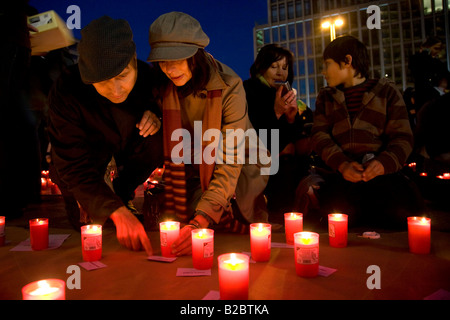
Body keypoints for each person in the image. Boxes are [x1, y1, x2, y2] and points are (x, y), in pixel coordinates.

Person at [147, 12, 270, 256]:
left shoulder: (230, 86)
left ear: (196, 53)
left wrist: (200, 220)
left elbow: (230, 161)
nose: (170, 69)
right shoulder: (161, 87)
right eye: (162, 61)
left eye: (177, 58)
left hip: (241, 163)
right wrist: (150, 115)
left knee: (209, 218)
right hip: (195, 163)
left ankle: (252, 203)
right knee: (178, 216)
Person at [47, 16, 164, 255]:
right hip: (86, 162)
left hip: (124, 154)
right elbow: (71, 162)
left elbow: (171, 112)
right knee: (88, 225)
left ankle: (122, 192)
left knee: (159, 139)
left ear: (133, 60)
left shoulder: (149, 79)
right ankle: (105, 201)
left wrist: (157, 117)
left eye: (123, 76)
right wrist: (114, 211)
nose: (116, 90)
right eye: (103, 82)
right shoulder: (67, 89)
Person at [307, 35, 425, 229]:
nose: (323, 72)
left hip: (382, 175)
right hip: (342, 176)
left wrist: (382, 163)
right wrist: (342, 164)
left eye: (327, 64)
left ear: (347, 61)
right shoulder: (326, 97)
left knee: (400, 213)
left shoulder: (385, 92)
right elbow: (319, 136)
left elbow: (403, 137)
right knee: (337, 216)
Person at [243, 44, 313, 214]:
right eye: (274, 67)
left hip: (287, 166)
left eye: (284, 67)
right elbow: (253, 133)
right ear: (262, 67)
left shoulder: (284, 93)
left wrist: (291, 118)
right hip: (259, 167)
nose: (280, 72)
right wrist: (276, 112)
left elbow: (293, 136)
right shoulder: (248, 91)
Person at [0, 1, 41, 219]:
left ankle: (14, 198)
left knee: (11, 118)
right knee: (15, 118)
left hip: (13, 41)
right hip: (16, 40)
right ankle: (20, 196)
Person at [409, 36, 450, 111]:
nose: (437, 52)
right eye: (435, 48)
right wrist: (425, 52)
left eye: (439, 49)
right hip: (425, 99)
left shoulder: (438, 63)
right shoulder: (417, 60)